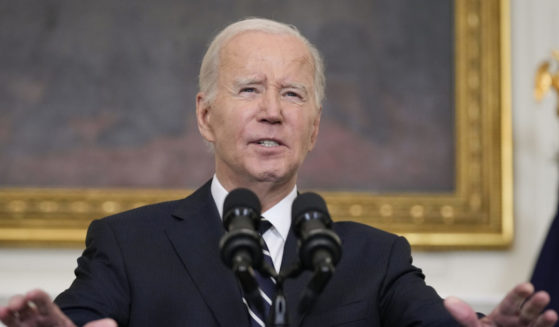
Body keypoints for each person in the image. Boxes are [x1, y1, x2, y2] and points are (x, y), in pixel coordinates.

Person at [0, 17, 557, 327]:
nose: (272, 110)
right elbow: (73, 324)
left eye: (292, 94)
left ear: (313, 129)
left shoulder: (375, 258)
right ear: (204, 116)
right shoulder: (128, 244)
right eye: (249, 90)